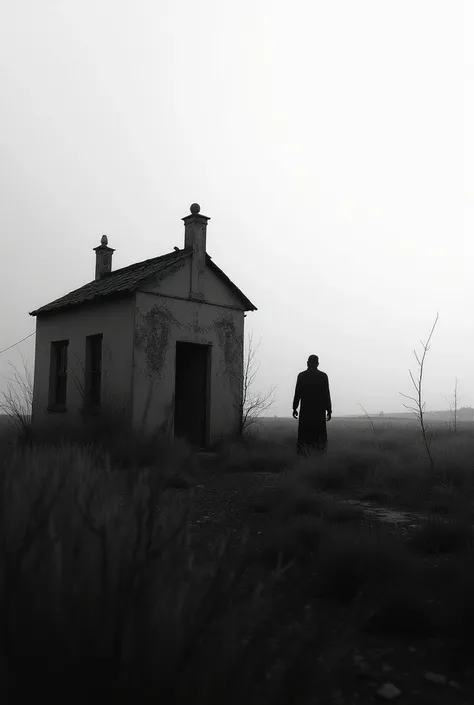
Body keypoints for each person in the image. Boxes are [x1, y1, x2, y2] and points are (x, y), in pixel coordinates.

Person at [292, 355, 332, 456]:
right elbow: (326, 394)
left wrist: (295, 407)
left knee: (304, 435)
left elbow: (298, 393)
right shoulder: (323, 376)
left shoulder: (302, 376)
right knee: (319, 435)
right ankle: (320, 456)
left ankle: (302, 456)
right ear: (317, 364)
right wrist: (329, 410)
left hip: (306, 411)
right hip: (319, 412)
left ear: (307, 363)